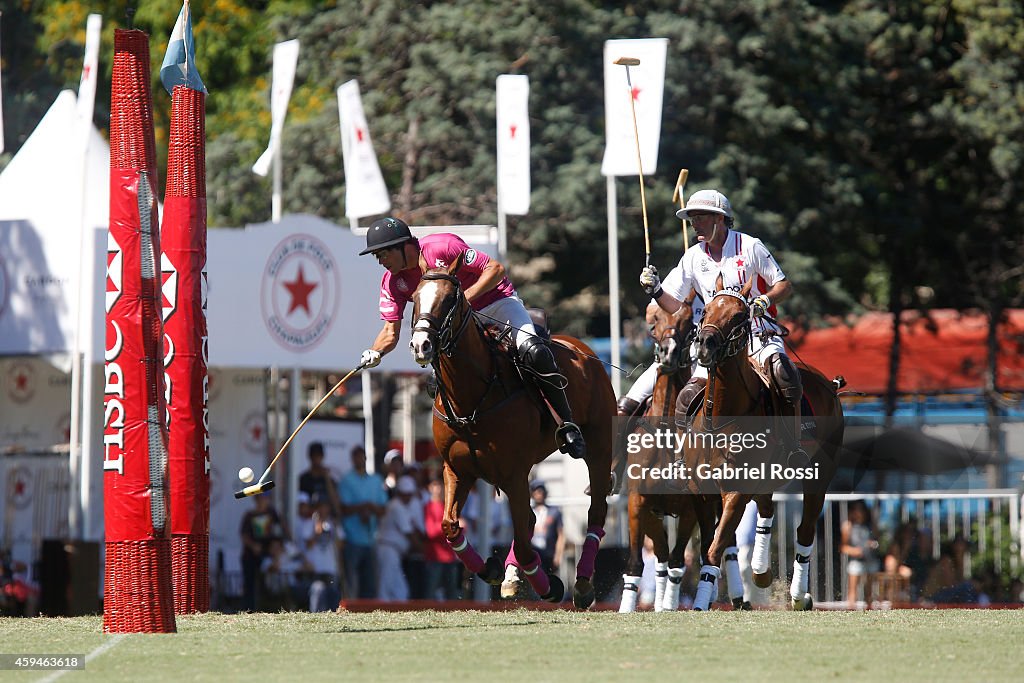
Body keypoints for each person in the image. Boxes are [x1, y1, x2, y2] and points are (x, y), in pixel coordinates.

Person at [358, 216, 585, 459]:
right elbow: (390, 332)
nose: (380, 261)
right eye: (376, 257)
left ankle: (566, 423)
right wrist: (375, 351)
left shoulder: (442, 246)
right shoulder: (393, 283)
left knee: (534, 351)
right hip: (462, 324)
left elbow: (495, 269)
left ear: (403, 246)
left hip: (498, 302)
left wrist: (464, 300)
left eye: (383, 254)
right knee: (437, 379)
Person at [639, 189, 807, 465]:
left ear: (720, 218)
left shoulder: (750, 246)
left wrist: (765, 300)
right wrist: (655, 290)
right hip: (715, 344)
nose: (694, 224)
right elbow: (673, 305)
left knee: (783, 372)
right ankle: (682, 458)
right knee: (686, 398)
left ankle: (793, 445)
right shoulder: (693, 257)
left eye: (700, 217)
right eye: (692, 218)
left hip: (756, 333)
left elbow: (784, 285)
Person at [338, 445, 388, 599]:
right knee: (352, 583)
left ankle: (369, 612)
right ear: (352, 459)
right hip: (352, 539)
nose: (359, 459)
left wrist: (371, 509)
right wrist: (363, 507)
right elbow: (344, 509)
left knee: (370, 583)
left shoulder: (376, 480)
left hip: (371, 540)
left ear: (366, 458)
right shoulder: (346, 480)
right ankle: (351, 611)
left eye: (361, 456)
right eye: (356, 456)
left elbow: (383, 509)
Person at [376, 475, 425, 601]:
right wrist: (425, 551)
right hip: (388, 549)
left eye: (409, 494)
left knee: (401, 591)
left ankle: (396, 616)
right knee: (385, 587)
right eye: (405, 494)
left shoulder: (405, 506)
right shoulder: (396, 506)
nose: (407, 497)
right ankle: (379, 616)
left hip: (395, 552)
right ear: (399, 493)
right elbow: (409, 534)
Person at [239, 494, 284, 611]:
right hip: (250, 556)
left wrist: (276, 555)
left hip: (267, 556)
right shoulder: (249, 516)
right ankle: (248, 610)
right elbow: (244, 535)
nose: (263, 501)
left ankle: (268, 608)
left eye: (265, 498)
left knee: (268, 583)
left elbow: (278, 535)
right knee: (250, 585)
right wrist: (253, 546)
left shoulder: (272, 514)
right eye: (260, 499)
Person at [299, 496, 345, 612]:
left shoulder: (333, 524)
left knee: (334, 595)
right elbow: (307, 545)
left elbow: (340, 545)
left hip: (330, 569)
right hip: (315, 570)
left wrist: (333, 529)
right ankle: (316, 618)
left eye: (325, 507)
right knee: (318, 592)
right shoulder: (308, 524)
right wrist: (316, 532)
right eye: (320, 506)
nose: (323, 509)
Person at [423, 478, 463, 600]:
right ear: (430, 488)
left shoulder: (448, 507)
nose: (438, 489)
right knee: (431, 591)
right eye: (435, 486)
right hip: (435, 558)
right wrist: (450, 527)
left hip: (450, 557)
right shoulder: (428, 507)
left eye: (440, 486)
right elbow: (431, 532)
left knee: (452, 593)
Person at [840, 499, 879, 609]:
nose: (858, 512)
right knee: (853, 591)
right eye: (856, 510)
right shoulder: (848, 526)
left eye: (861, 510)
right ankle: (851, 609)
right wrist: (855, 551)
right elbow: (843, 547)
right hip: (856, 561)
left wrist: (873, 544)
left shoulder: (871, 525)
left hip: (870, 559)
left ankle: (869, 610)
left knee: (869, 591)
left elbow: (877, 540)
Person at [529, 481, 564, 575]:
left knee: (550, 581)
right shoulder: (529, 513)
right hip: (533, 554)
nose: (538, 494)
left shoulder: (554, 511)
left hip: (549, 554)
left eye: (541, 491)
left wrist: (558, 555)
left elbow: (561, 535)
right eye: (536, 491)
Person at [298, 441, 341, 518]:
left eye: (319, 456)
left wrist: (327, 478)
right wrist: (318, 510)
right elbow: (302, 509)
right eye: (314, 456)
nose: (317, 459)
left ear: (323, 457)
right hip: (309, 520)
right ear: (310, 457)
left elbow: (336, 506)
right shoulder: (303, 479)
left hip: (327, 520)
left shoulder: (329, 479)